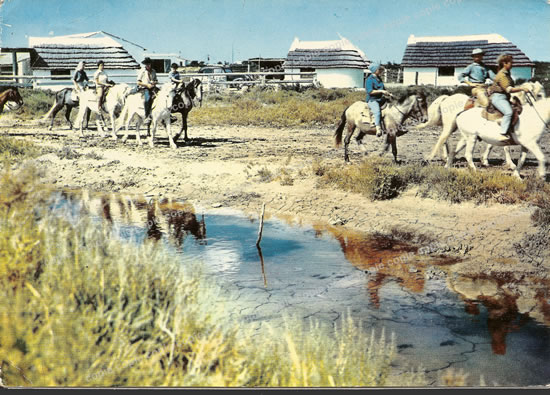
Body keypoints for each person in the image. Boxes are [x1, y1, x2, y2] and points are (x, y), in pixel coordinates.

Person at [489, 54, 530, 135]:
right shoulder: (502, 75)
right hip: (498, 98)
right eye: (511, 63)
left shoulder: (507, 73)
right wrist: (522, 88)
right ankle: (503, 133)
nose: (512, 64)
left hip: (505, 98)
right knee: (508, 112)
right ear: (504, 63)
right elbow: (509, 89)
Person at [365, 62, 391, 137]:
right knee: (377, 111)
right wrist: (381, 91)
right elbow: (370, 91)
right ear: (375, 70)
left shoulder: (378, 78)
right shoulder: (369, 79)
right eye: (379, 70)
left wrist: (389, 93)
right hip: (372, 99)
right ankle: (378, 128)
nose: (380, 71)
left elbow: (383, 88)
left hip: (381, 99)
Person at [137, 57, 158, 125]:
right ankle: (146, 116)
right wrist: (147, 85)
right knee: (147, 98)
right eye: (147, 64)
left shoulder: (153, 71)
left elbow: (156, 80)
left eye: (149, 64)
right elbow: (138, 82)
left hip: (153, 87)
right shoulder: (142, 71)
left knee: (163, 96)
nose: (148, 65)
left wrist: (154, 82)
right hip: (145, 88)